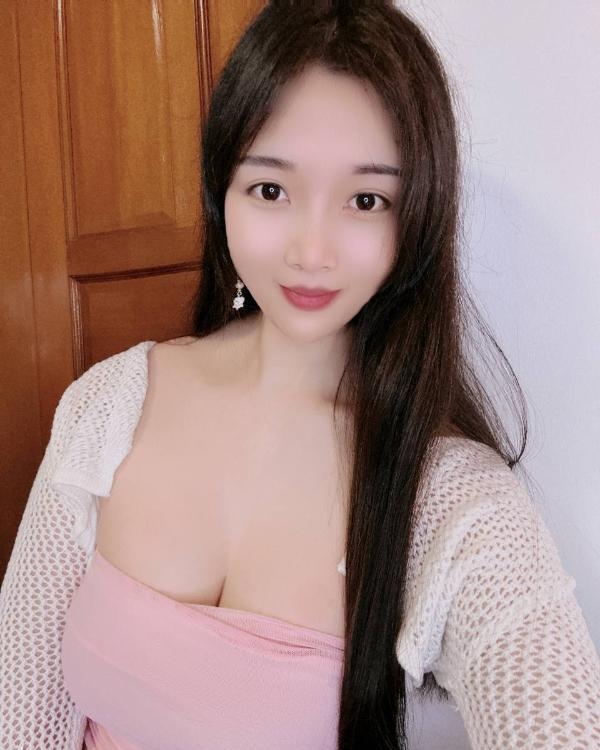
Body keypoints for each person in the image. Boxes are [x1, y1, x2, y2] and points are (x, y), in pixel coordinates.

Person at [1, 1, 599, 748]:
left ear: (416, 218)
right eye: (272, 190)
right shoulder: (109, 406)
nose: (311, 252)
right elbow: (23, 706)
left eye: (366, 200)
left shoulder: (449, 498)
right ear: (222, 190)